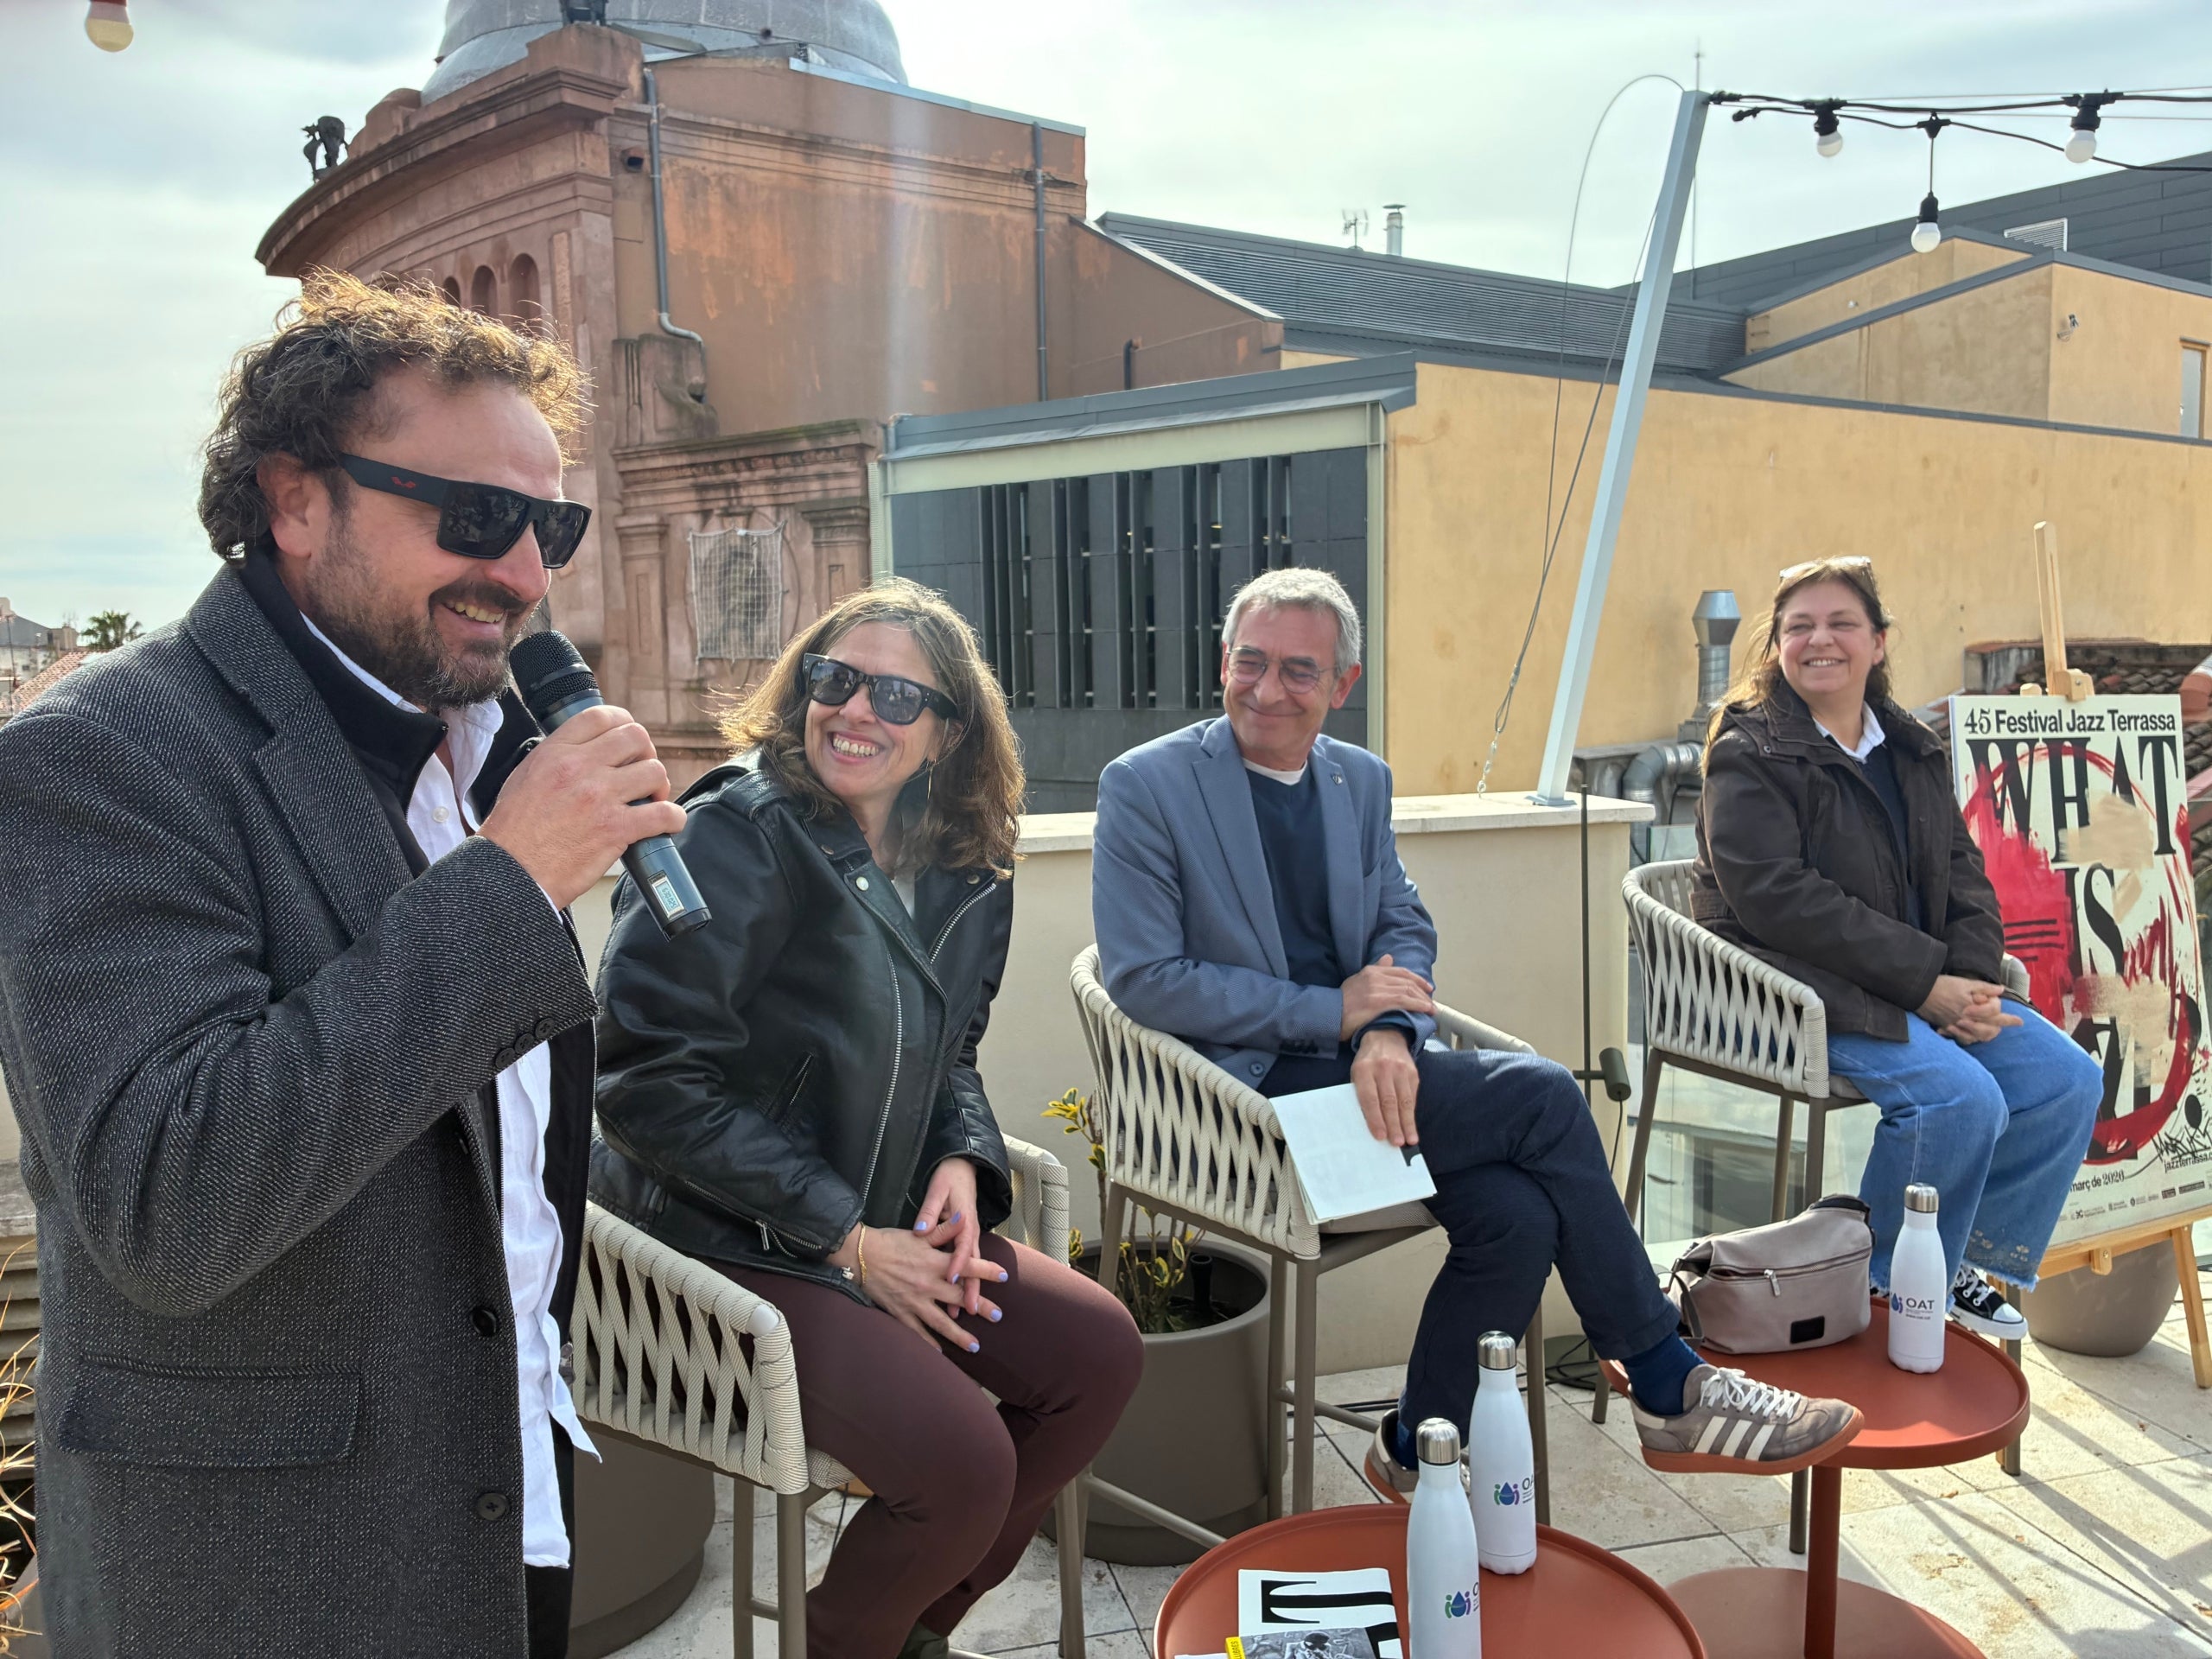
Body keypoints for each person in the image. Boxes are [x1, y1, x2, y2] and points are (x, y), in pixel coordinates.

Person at [0, 273, 664, 1654]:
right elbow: (169, 1198)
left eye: (552, 526)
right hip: (273, 1576)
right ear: (296, 501)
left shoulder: (472, 746)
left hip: (502, 1495)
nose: (532, 575)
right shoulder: (97, 759)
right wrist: (510, 885)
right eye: (477, 517)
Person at [1090, 567, 1862, 1503]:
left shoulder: (1355, 780)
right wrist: (1332, 1012)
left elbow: (1402, 929)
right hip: (1241, 1110)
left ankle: (1414, 1450)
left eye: (1300, 671)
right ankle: (1664, 1378)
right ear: (1223, 661)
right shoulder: (1147, 785)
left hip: (1366, 1088)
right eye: (1249, 662)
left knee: (1516, 1215)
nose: (1266, 689)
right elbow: (1146, 980)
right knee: (1538, 1092)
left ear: (1343, 685)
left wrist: (1383, 1032)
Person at [591, 579, 1142, 1659]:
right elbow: (644, 1080)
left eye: (897, 696)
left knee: (1098, 1358)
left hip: (872, 1221)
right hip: (715, 1240)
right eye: (834, 681)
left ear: (946, 733)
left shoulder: (966, 862)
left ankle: (897, 1631)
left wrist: (962, 1162)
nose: (856, 712)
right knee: (961, 1467)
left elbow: (953, 1054)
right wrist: (848, 1237)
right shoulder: (735, 838)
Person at [1693, 556, 2103, 1332]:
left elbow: (1962, 872)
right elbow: (1778, 900)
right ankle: (1880, 1288)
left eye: (1842, 623)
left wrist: (1975, 984)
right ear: (1775, 646)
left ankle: (1953, 1265)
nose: (1821, 640)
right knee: (1958, 1097)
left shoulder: (1910, 745)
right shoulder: (1748, 748)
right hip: (1802, 989)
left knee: (2066, 1081)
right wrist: (1926, 985)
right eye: (1799, 627)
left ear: (1878, 642)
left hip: (1916, 986)